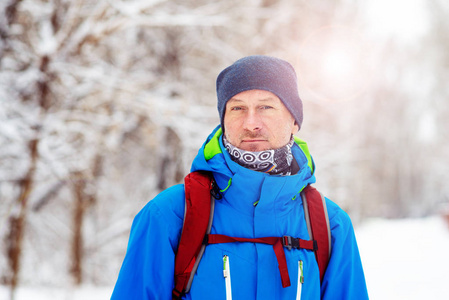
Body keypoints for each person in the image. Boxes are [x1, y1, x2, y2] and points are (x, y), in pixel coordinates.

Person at [111, 55, 369, 299]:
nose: (251, 123)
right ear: (223, 119)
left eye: (266, 107)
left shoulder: (330, 226)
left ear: (294, 121)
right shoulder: (170, 214)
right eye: (237, 108)